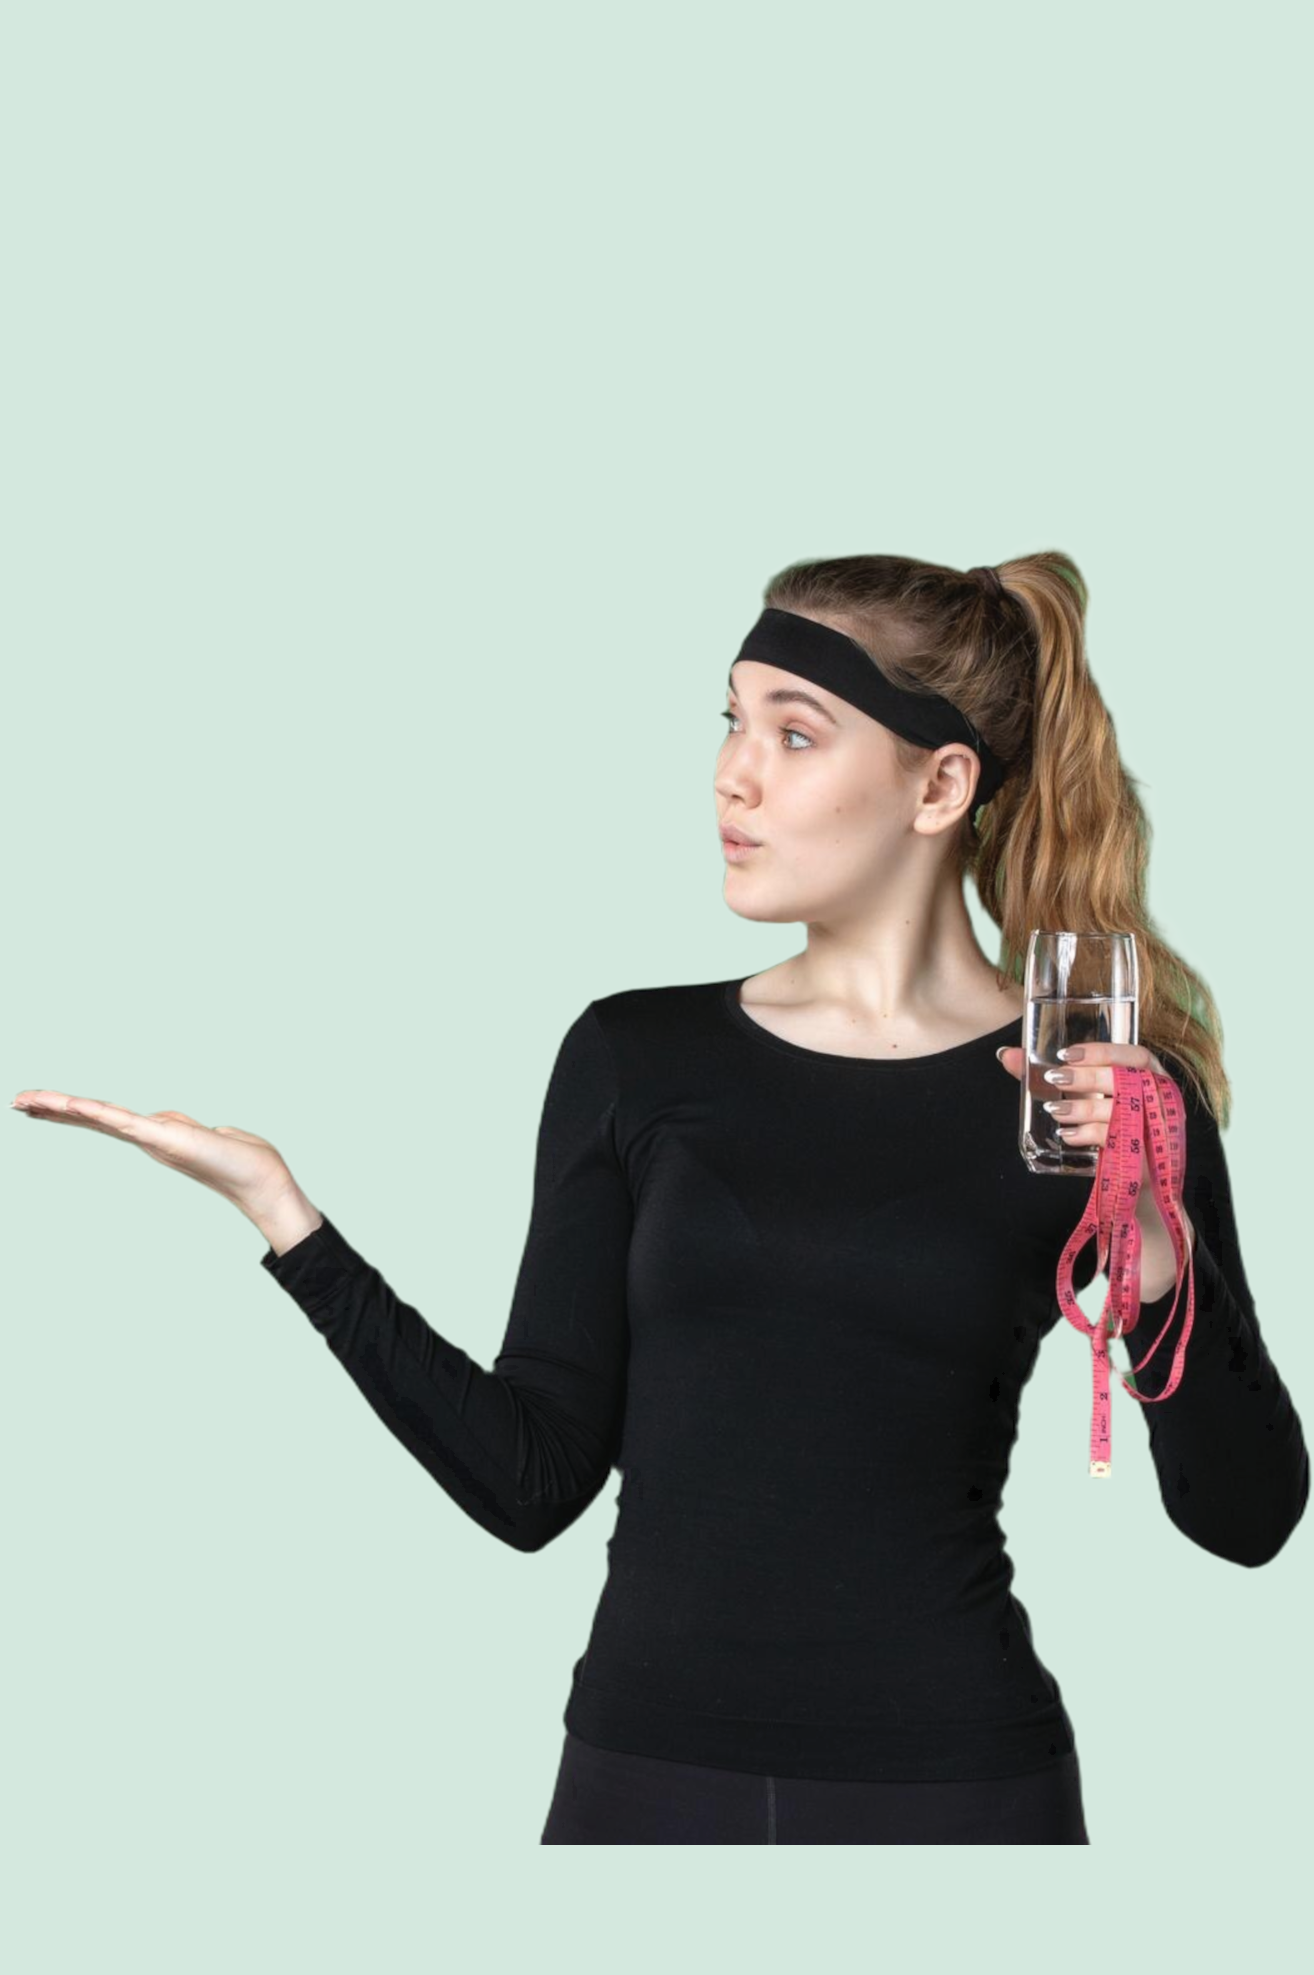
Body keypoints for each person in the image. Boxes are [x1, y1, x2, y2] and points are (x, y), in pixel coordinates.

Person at [14, 550, 1308, 1846]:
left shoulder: (1096, 1097)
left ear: (940, 784)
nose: (731, 775)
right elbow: (529, 1481)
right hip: (641, 1778)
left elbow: (1247, 1521)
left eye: (793, 733)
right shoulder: (635, 1057)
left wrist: (1155, 1248)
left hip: (960, 1786)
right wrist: (284, 1217)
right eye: (729, 721)